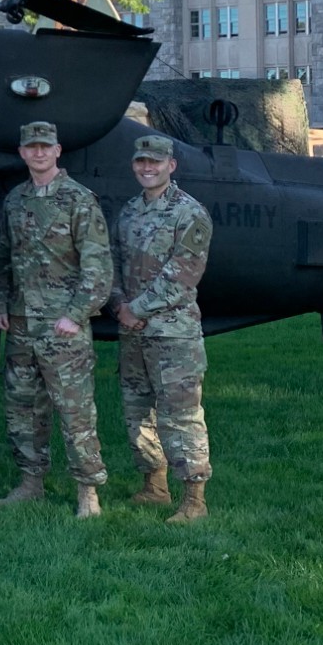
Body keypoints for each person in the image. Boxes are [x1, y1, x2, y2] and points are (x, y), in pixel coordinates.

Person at [0, 120, 113, 518]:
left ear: (58, 150)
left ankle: (87, 492)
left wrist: (76, 315)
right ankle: (31, 483)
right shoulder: (15, 200)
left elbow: (97, 267)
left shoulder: (79, 200)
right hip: (22, 323)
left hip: (63, 326)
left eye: (46, 146)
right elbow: (3, 260)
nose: (39, 153)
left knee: (75, 411)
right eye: (32, 147)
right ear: (23, 152)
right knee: (23, 409)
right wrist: (0, 305)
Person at [112, 134, 215, 524]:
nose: (147, 167)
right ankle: (154, 485)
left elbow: (183, 275)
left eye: (155, 162)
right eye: (141, 161)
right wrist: (121, 305)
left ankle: (194, 499)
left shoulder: (189, 213)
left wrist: (135, 308)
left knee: (180, 414)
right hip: (133, 331)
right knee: (137, 411)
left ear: (171, 165)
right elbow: (115, 264)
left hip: (173, 334)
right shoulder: (129, 212)